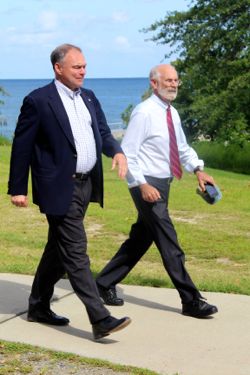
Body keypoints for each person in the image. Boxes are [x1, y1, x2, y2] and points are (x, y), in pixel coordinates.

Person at [8, 43, 131, 340]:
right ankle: (99, 318)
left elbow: (102, 132)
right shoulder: (38, 101)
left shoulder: (88, 97)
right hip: (57, 186)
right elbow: (22, 146)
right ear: (58, 68)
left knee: (59, 249)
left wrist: (116, 151)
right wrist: (17, 188)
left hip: (86, 184)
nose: (83, 71)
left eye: (84, 66)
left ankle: (38, 305)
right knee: (76, 251)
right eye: (76, 67)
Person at [96, 64, 218, 318]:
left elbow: (182, 147)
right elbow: (128, 152)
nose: (173, 84)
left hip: (162, 182)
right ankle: (191, 300)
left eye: (176, 80)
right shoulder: (144, 113)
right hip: (146, 184)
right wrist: (142, 185)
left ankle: (104, 282)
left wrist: (198, 169)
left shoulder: (171, 113)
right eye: (168, 80)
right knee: (169, 241)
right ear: (154, 83)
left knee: (141, 238)